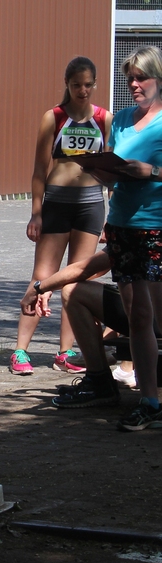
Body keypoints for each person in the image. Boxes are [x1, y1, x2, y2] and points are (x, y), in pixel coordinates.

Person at [11, 57, 112, 376]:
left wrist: (112, 215)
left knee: (77, 280)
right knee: (42, 276)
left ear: (95, 84)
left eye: (88, 85)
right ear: (67, 84)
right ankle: (20, 350)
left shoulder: (104, 119)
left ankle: (65, 351)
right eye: (76, 85)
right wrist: (36, 213)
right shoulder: (53, 117)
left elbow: (112, 170)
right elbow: (39, 170)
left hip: (91, 204)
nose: (82, 90)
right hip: (57, 203)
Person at [87, 45, 162, 431]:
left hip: (156, 229)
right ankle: (149, 401)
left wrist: (152, 172)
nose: (134, 84)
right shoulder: (120, 121)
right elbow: (114, 176)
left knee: (157, 314)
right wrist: (97, 168)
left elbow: (151, 172)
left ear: (158, 79)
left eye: (141, 77)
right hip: (122, 227)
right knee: (138, 317)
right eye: (129, 78)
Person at [20, 251, 148, 409]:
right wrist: (50, 285)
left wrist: (38, 288)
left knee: (74, 291)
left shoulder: (136, 236)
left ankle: (99, 382)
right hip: (149, 314)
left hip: (147, 317)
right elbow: (95, 268)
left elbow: (85, 268)